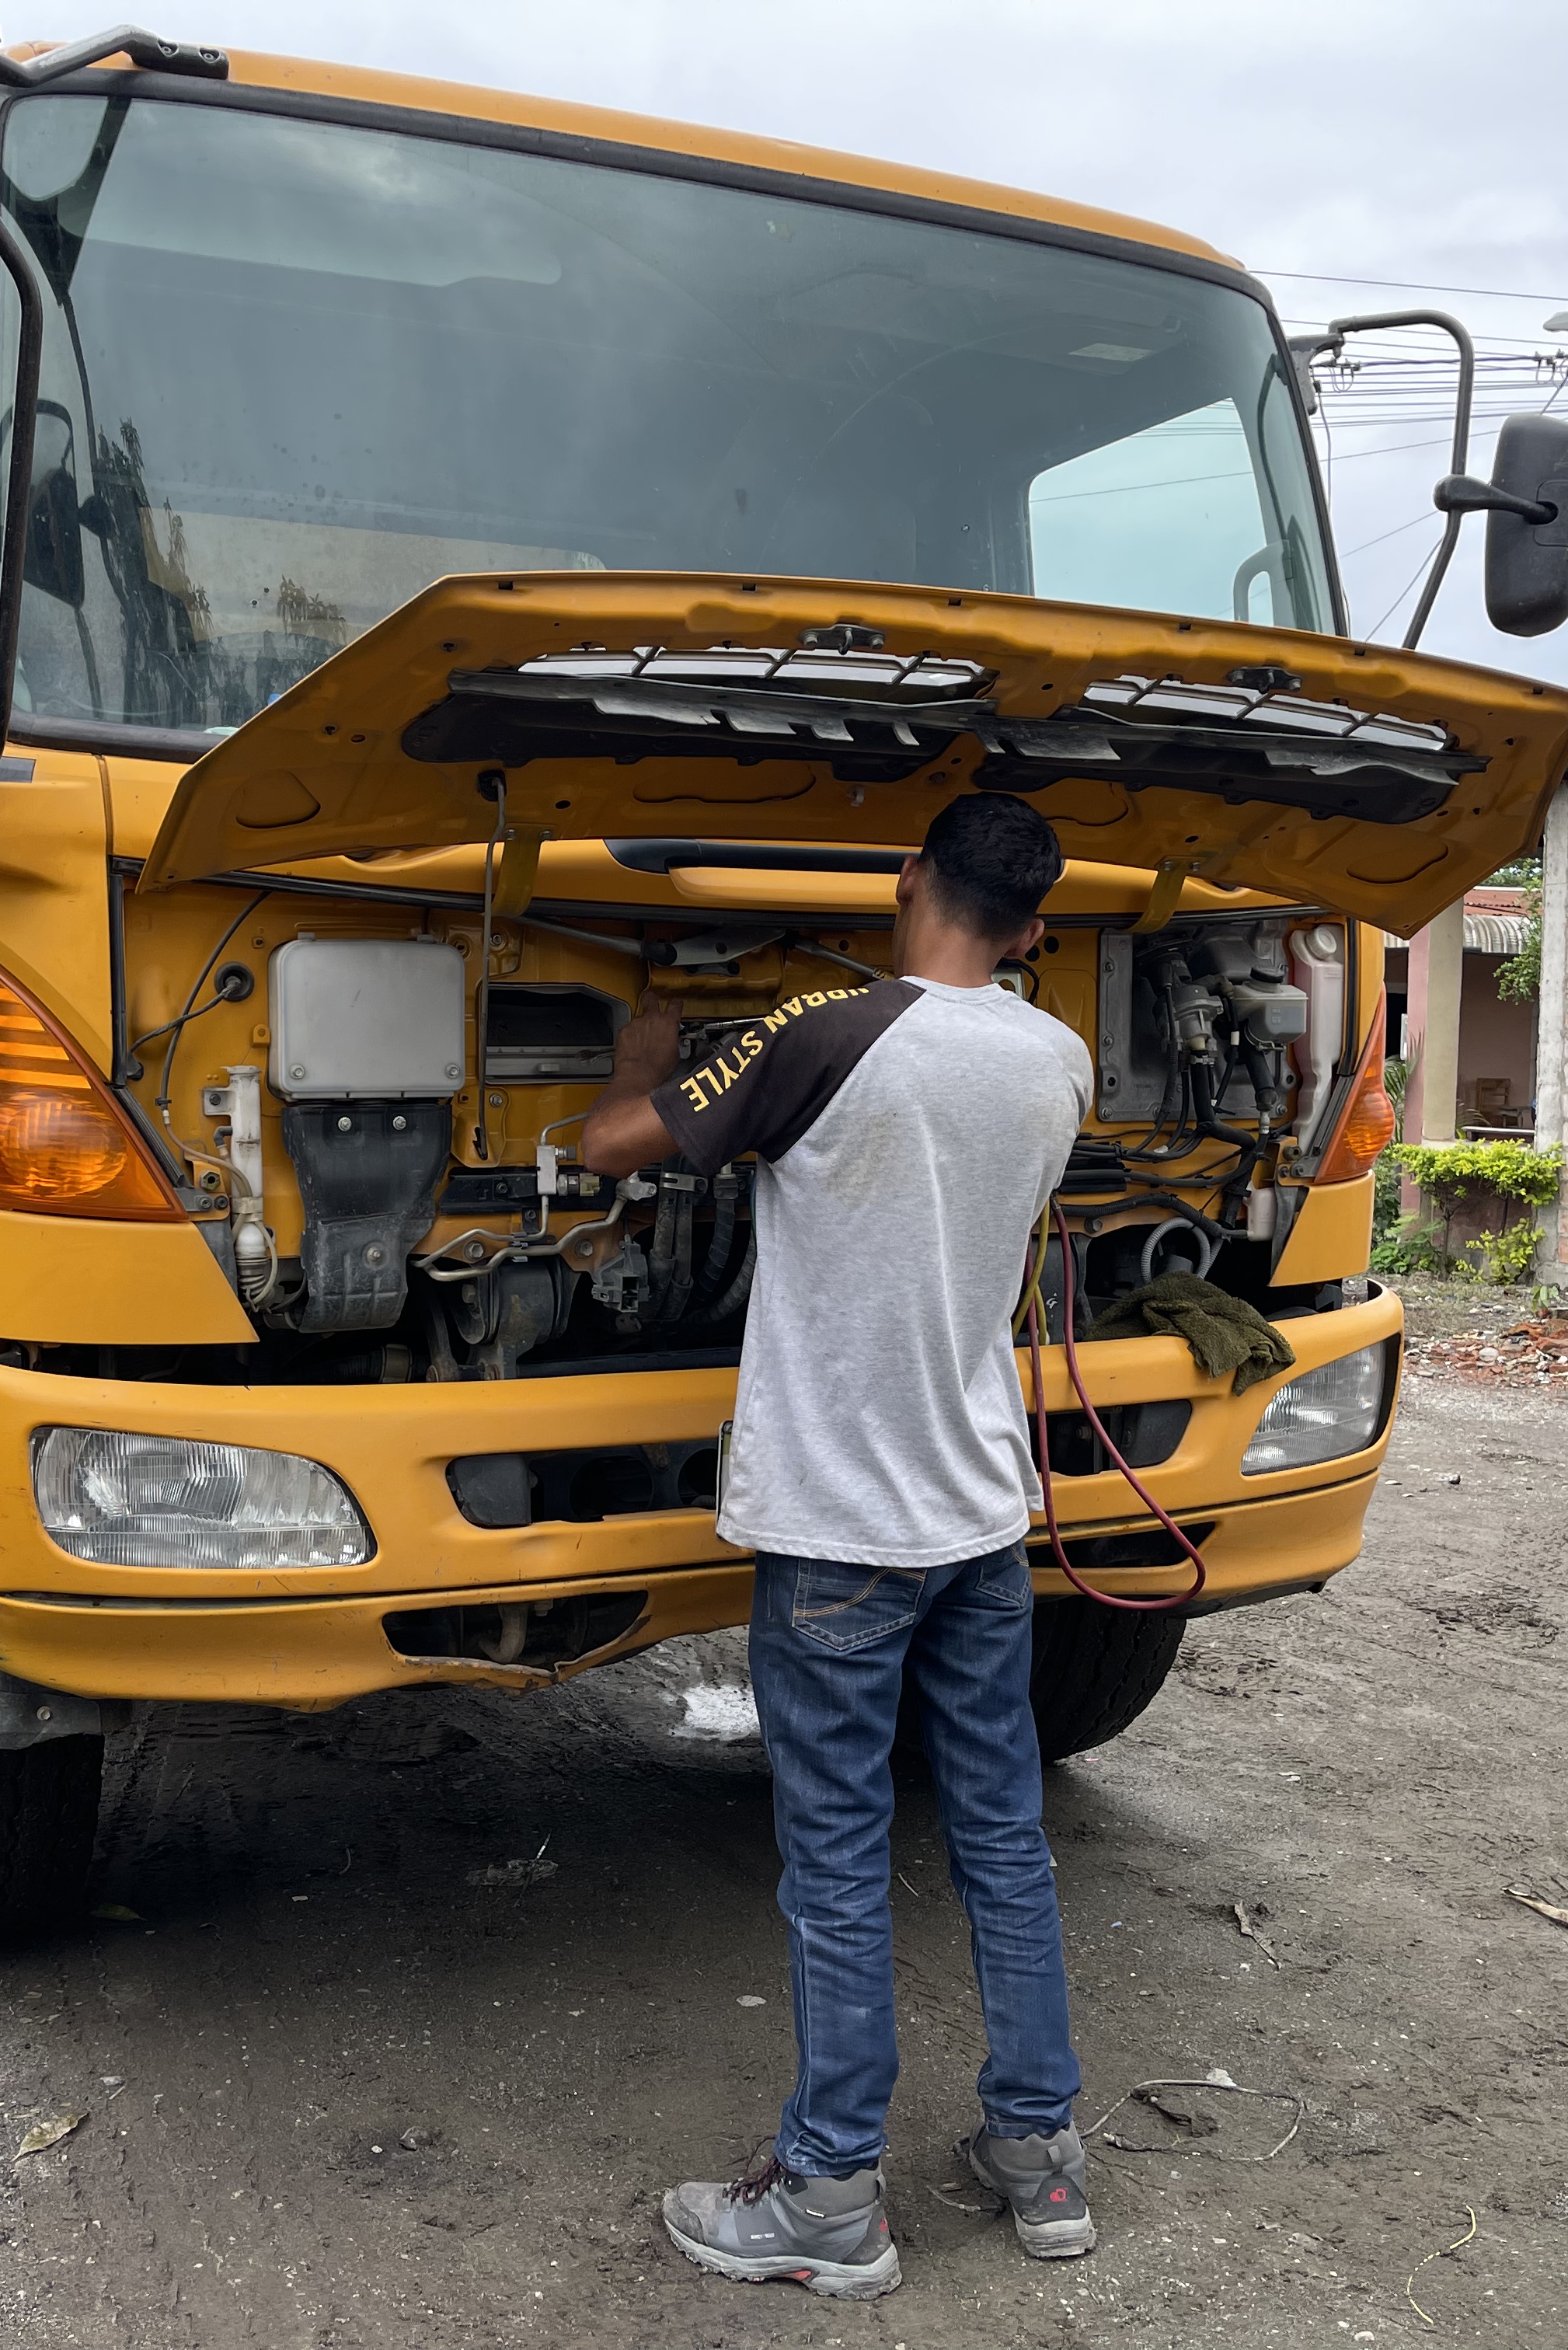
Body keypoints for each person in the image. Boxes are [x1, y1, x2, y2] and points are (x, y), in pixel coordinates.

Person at [581, 790, 1098, 2300]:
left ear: (908, 878)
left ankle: (827, 2195)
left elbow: (615, 1147)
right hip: (978, 1518)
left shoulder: (818, 1032)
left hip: (836, 1534)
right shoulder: (1061, 1059)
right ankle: (1040, 2154)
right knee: (1001, 1838)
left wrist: (645, 1051)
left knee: (836, 1861)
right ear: (1036, 927)